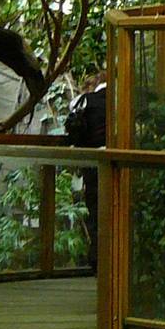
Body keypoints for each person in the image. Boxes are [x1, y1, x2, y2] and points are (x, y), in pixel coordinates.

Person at [65, 76, 107, 271]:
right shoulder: (120, 100)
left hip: (91, 164)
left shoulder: (82, 101)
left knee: (96, 209)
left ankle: (98, 257)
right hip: (118, 163)